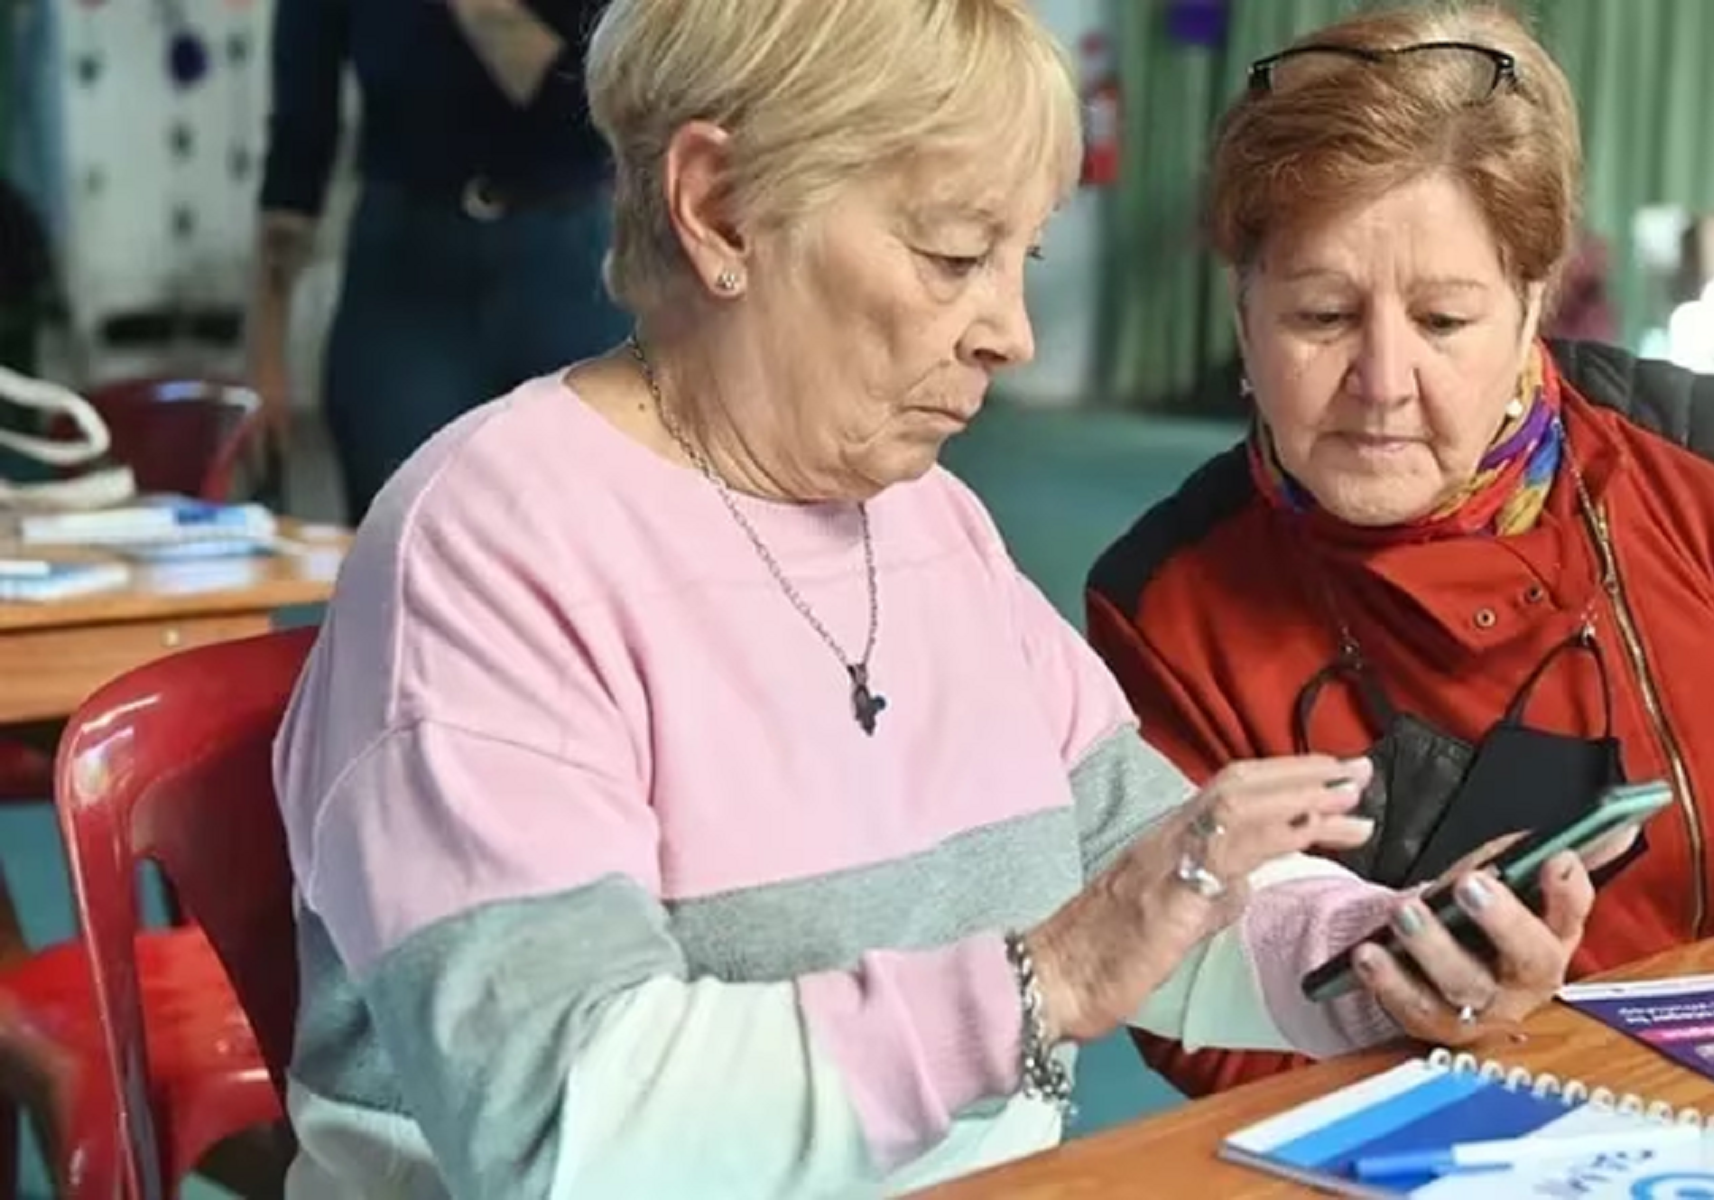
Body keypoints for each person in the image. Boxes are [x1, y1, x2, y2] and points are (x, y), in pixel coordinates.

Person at [269, 3, 1618, 1195]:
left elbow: (1139, 880)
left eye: (1016, 261)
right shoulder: (494, 546)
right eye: (950, 254)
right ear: (720, 209)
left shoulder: (926, 524)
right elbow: (560, 1127)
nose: (1008, 334)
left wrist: (1377, 947)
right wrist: (1037, 988)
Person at [1084, 2, 1714, 1100]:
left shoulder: (1700, 464)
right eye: (1323, 315)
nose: (1384, 381)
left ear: (1533, 305)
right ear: (1242, 313)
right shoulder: (1164, 607)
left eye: (1443, 320)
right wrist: (1418, 1038)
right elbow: (1189, 1012)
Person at [249, 0, 630, 522]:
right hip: (407, 272)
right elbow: (299, 138)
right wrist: (267, 349)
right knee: (403, 531)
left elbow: (584, 96)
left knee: (594, 529)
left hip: (570, 258)